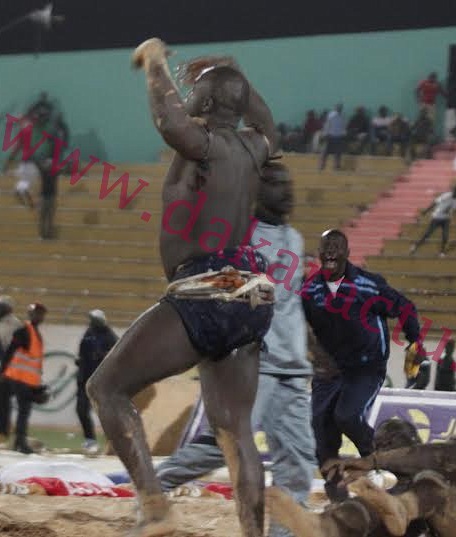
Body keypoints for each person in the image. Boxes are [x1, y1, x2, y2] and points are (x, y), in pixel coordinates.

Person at [86, 42, 278, 537]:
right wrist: (235, 76)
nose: (186, 96)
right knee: (234, 429)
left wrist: (154, 62)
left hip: (208, 287)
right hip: (250, 293)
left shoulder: (206, 144)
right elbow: (266, 121)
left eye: (196, 93)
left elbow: (168, 121)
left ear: (210, 108)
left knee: (106, 388)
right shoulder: (254, 147)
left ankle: (155, 508)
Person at [156, 163, 316, 537]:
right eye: (277, 184)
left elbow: (293, 302)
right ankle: (153, 486)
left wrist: (310, 349)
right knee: (220, 447)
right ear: (258, 191)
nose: (287, 190)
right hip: (253, 363)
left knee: (298, 458)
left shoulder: (294, 238)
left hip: (292, 368)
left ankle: (284, 533)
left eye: (289, 183)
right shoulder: (240, 236)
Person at [301, 229, 422, 502]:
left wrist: (415, 341)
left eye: (337, 246)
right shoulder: (309, 290)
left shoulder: (369, 285)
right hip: (327, 373)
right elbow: (291, 322)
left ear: (347, 253)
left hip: (365, 369)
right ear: (319, 254)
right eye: (326, 247)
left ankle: (377, 463)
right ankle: (339, 501)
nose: (331, 251)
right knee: (322, 436)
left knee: (347, 415)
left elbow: (404, 307)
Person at [267, 418, 456, 537]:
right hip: (410, 508)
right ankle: (325, 526)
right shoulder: (402, 497)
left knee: (430, 482)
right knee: (382, 508)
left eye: (390, 448)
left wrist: (375, 461)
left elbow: (437, 456)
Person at [0, 303, 47, 454]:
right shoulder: (24, 331)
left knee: (24, 411)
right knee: (23, 410)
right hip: (18, 378)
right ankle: (20, 442)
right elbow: (10, 352)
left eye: (40, 314)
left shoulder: (34, 332)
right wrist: (3, 371)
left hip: (27, 380)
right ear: (30, 315)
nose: (38, 317)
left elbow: (35, 361)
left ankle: (19, 441)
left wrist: (38, 384)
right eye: (36, 314)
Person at [76, 309, 118, 454]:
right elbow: (83, 353)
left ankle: (113, 442)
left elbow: (116, 356)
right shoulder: (88, 333)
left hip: (101, 381)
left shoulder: (110, 336)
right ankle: (90, 440)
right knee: (81, 410)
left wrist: (101, 356)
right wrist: (81, 361)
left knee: (106, 412)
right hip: (84, 379)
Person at [409, 185, 456, 257]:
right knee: (428, 234)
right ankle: (415, 246)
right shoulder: (446, 196)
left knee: (445, 236)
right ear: (455, 192)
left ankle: (442, 252)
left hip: (446, 219)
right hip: (437, 217)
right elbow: (435, 202)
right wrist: (425, 211)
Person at [0, 296, 24, 447]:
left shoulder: (15, 324)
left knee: (3, 402)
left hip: (8, 369)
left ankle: (3, 432)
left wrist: (6, 370)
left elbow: (12, 350)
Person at [319, 104, 346, 170]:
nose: (340, 109)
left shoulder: (337, 116)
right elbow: (328, 125)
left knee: (330, 152)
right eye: (339, 108)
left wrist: (324, 134)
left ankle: (326, 166)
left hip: (334, 136)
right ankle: (330, 166)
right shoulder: (336, 116)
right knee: (332, 152)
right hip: (334, 136)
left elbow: (328, 126)